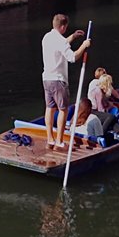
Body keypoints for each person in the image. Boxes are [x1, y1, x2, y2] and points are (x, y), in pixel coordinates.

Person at [41, 13, 91, 150]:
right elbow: (73, 57)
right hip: (58, 80)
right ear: (63, 26)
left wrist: (73, 37)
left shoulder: (47, 37)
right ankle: (59, 142)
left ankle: (50, 140)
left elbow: (60, 45)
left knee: (50, 108)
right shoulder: (60, 41)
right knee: (63, 110)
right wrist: (83, 45)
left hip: (47, 79)